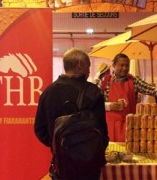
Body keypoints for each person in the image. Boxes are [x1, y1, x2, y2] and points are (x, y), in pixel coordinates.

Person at [34, 48, 109, 180]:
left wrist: (58, 145)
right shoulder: (93, 92)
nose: (89, 71)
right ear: (80, 65)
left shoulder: (48, 92)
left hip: (61, 166)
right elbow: (102, 132)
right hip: (89, 166)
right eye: (88, 66)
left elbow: (40, 129)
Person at [98, 53, 157, 142]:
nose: (125, 68)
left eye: (127, 66)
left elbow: (149, 88)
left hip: (130, 124)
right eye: (121, 65)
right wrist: (109, 105)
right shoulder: (104, 81)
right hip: (109, 125)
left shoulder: (133, 80)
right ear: (114, 65)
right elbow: (95, 103)